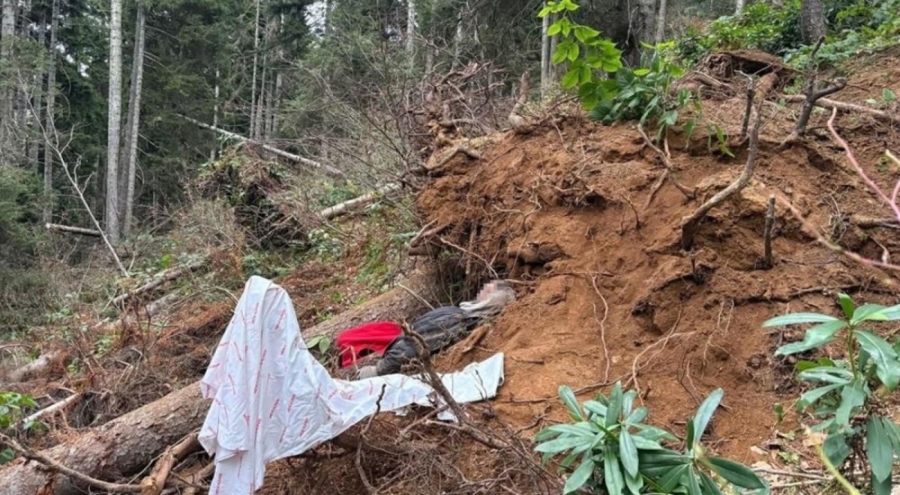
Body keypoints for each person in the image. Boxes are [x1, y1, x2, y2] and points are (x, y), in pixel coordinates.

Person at [354, 280, 516, 379]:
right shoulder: (459, 314)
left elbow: (414, 346)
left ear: (490, 301)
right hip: (391, 354)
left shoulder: (458, 320)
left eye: (487, 291)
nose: (480, 291)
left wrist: (380, 369)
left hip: (392, 366)